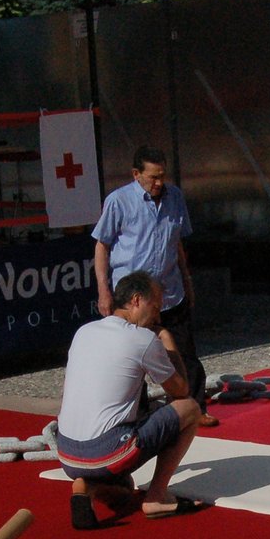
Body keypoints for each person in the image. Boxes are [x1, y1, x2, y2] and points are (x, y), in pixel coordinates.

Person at [57, 271, 206, 529]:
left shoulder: (84, 331)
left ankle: (84, 485)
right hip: (107, 452)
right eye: (156, 307)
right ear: (137, 300)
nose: (158, 317)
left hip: (67, 455)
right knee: (190, 409)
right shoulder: (143, 338)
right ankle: (157, 497)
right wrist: (167, 341)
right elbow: (180, 391)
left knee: (124, 489)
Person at [91, 146, 219, 428]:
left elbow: (178, 244)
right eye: (153, 177)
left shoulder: (175, 197)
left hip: (170, 293)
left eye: (162, 176)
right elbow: (102, 245)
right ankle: (137, 413)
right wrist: (104, 290)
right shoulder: (119, 201)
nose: (159, 183)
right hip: (133, 300)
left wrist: (188, 281)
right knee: (131, 357)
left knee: (185, 353)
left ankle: (194, 406)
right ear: (136, 175)